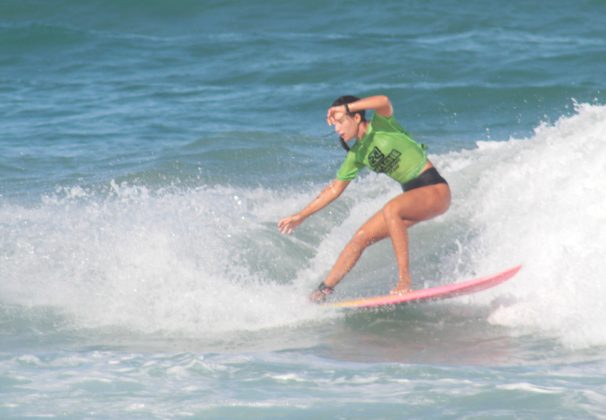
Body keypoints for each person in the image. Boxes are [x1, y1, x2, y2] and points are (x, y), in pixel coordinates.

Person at [278, 95, 451, 302]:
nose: (337, 130)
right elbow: (334, 189)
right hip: (415, 198)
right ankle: (321, 293)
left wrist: (347, 107)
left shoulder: (382, 125)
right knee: (361, 237)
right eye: (335, 125)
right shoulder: (357, 154)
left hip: (434, 189)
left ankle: (405, 281)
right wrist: (301, 216)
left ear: (357, 118)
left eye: (341, 122)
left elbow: (384, 101)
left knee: (391, 210)